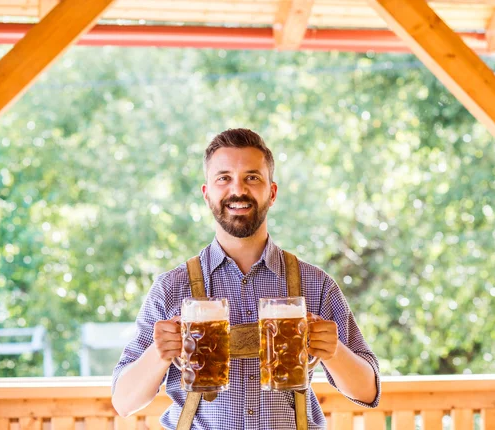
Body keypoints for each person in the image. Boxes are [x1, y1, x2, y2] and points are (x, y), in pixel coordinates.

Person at [111, 128, 381, 430]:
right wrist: (157, 354)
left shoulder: (315, 284)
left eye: (252, 177)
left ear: (272, 192)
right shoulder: (171, 288)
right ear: (207, 193)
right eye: (223, 178)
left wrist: (335, 352)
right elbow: (123, 402)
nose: (237, 190)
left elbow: (368, 391)